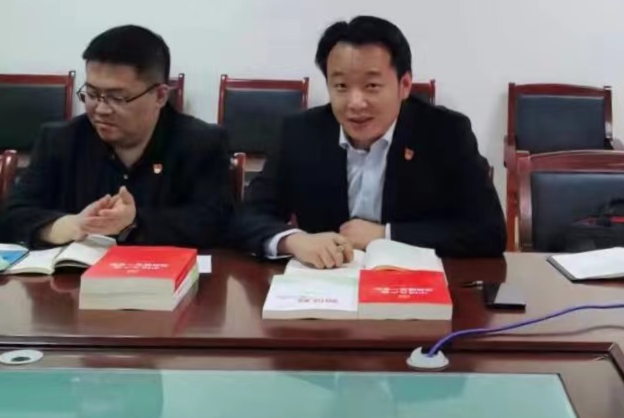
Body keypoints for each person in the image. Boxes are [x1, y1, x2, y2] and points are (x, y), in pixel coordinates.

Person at [234, 15, 506, 267]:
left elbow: (488, 231)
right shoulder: (300, 133)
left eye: (372, 86)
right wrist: (293, 240)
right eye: (341, 86)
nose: (355, 103)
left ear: (405, 85)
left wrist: (386, 235)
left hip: (409, 286)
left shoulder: (446, 133)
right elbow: (248, 216)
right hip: (325, 285)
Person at [0, 25, 233, 248]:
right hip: (72, 274)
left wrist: (133, 222)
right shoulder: (59, 140)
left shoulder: (201, 143)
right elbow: (13, 214)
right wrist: (69, 226)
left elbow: (218, 222)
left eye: (117, 97)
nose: (101, 109)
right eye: (92, 94)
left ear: (160, 96)